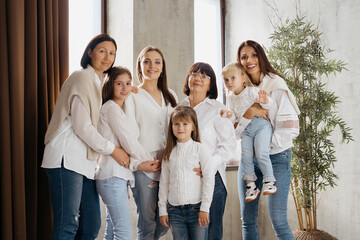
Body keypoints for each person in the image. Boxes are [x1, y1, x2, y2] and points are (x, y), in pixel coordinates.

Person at [42, 34, 129, 239]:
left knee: (91, 224)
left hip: (85, 163)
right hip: (66, 158)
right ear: (90, 52)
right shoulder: (82, 77)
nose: (107, 57)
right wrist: (113, 150)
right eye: (102, 51)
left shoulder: (98, 84)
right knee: (67, 224)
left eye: (112, 53)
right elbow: (83, 127)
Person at [236, 40, 300, 240]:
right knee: (247, 220)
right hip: (249, 159)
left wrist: (262, 147)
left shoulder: (276, 84)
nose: (249, 60)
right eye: (244, 57)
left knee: (279, 221)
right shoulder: (239, 90)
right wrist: (249, 113)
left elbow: (288, 129)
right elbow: (235, 129)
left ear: (261, 57)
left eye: (254, 55)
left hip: (277, 157)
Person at [96, 66, 157, 240]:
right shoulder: (112, 108)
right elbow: (129, 141)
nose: (124, 88)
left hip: (115, 177)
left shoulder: (118, 108)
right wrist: (149, 160)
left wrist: (134, 90)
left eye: (128, 84)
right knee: (123, 234)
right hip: (112, 177)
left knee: (111, 231)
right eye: (119, 83)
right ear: (110, 85)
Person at [124, 46, 177, 240]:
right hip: (145, 162)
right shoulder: (132, 95)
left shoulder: (171, 95)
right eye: (146, 61)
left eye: (157, 62)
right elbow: (129, 133)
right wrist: (140, 162)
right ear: (139, 67)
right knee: (147, 222)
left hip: (168, 162)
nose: (152, 66)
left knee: (164, 221)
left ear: (163, 68)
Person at [179, 62, 236, 240]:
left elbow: (228, 145)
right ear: (188, 79)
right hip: (185, 179)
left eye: (204, 76)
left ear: (211, 84)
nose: (198, 79)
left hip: (213, 179)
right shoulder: (177, 108)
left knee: (211, 234)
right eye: (194, 74)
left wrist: (209, 166)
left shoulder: (219, 110)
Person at [221, 62, 277, 203]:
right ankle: (251, 186)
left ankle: (269, 181)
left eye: (233, 78)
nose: (229, 82)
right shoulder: (231, 98)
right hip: (245, 130)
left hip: (261, 126)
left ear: (243, 78)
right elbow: (234, 116)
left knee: (261, 153)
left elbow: (268, 105)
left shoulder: (252, 91)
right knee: (245, 156)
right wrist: (229, 116)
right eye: (226, 80)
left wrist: (265, 101)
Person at [158, 105, 216, 240]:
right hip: (174, 211)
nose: (180, 128)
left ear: (193, 127)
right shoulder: (168, 153)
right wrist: (162, 210)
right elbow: (164, 183)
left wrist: (205, 208)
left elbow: (209, 179)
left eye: (185, 124)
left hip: (197, 209)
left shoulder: (200, 149)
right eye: (176, 124)